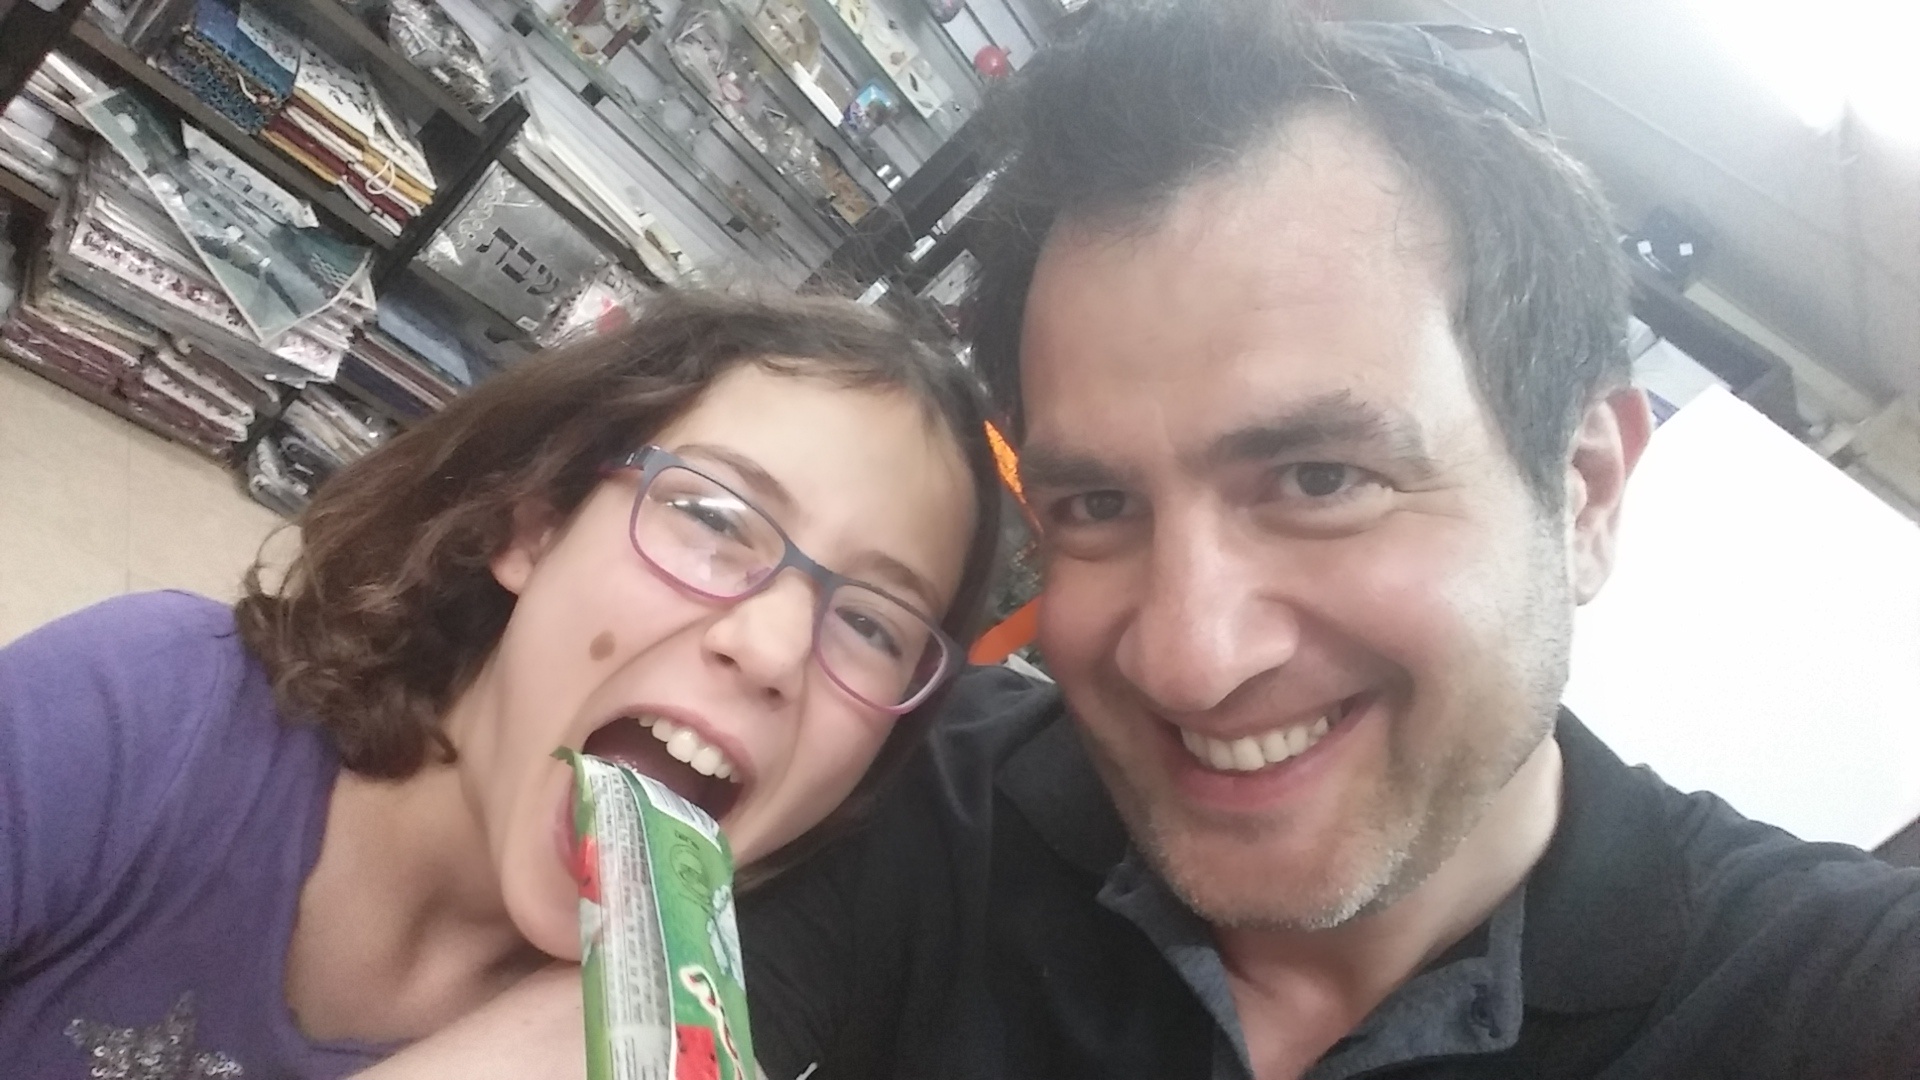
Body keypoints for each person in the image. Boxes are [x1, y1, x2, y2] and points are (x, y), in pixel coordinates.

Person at [737, 3, 1920, 1078]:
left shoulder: (1829, 1002)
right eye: (1097, 505)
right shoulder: (911, 785)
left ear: (1584, 492)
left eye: (1320, 479)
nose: (1190, 660)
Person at [0, 288, 1003, 1078]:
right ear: (539, 525)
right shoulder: (147, 715)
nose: (776, 649)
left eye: (873, 624)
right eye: (712, 517)